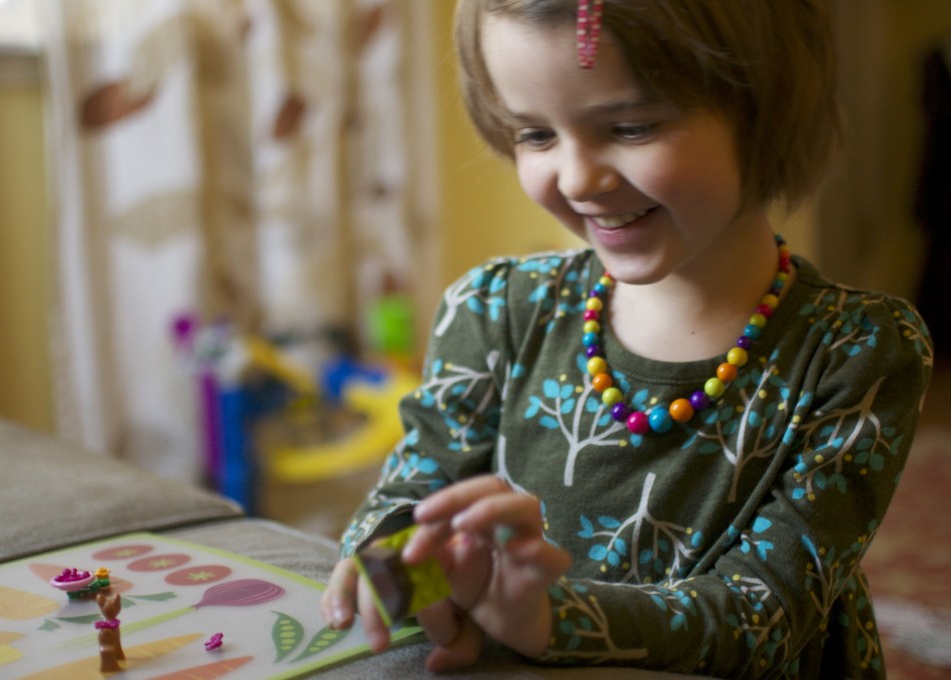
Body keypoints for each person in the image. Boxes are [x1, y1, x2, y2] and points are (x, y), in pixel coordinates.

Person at [320, 0, 934, 676]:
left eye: (632, 126)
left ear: (764, 106)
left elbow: (766, 614)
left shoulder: (856, 350)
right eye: (534, 135)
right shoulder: (495, 309)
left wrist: (552, 617)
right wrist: (414, 573)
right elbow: (410, 495)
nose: (578, 178)